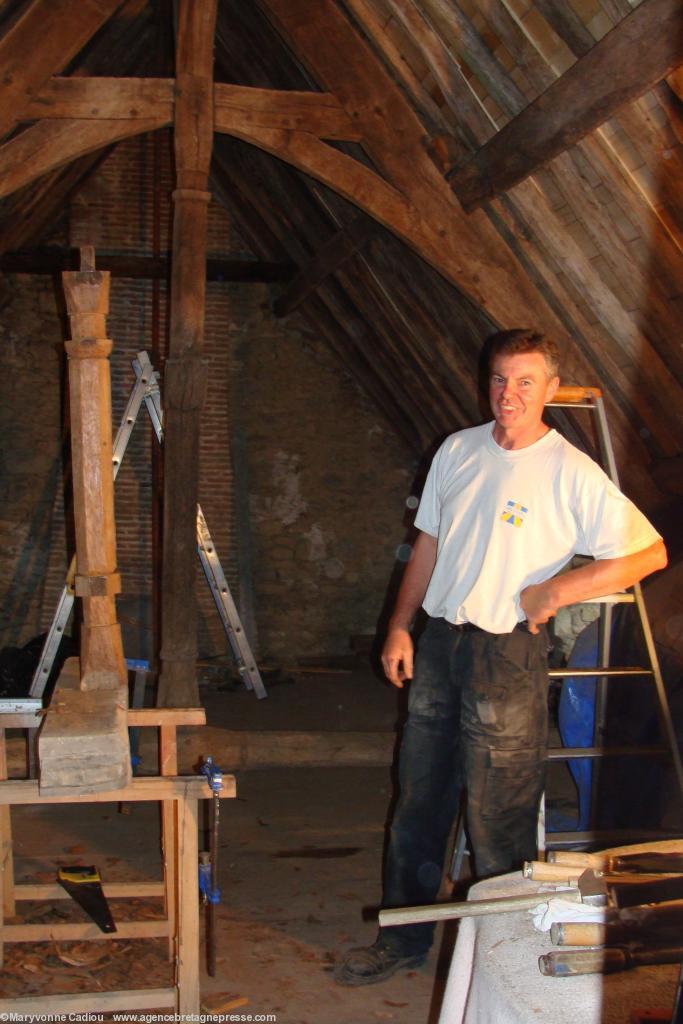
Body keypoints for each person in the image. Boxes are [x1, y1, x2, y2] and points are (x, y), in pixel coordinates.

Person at [335, 328, 667, 986]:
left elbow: (647, 552)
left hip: (506, 654)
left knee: (500, 817)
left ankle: (504, 964)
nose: (507, 393)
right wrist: (399, 626)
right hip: (437, 645)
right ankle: (403, 945)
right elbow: (426, 547)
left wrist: (559, 588)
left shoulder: (568, 469)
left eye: (523, 381)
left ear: (549, 388)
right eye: (498, 379)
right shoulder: (456, 451)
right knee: (418, 804)